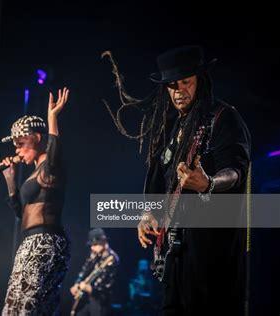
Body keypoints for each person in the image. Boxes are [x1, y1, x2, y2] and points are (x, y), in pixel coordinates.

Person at [104, 46, 251, 315]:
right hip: (175, 252)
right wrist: (149, 213)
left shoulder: (223, 117)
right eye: (172, 85)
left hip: (210, 252)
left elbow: (235, 170)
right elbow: (160, 177)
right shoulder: (174, 127)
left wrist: (208, 183)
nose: (178, 91)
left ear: (201, 81)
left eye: (186, 82)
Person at [0, 88, 71, 315]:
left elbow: (55, 152)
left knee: (21, 306)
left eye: (20, 143)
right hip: (36, 241)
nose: (17, 149)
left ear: (37, 139)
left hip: (44, 241)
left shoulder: (50, 168)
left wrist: (52, 118)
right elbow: (23, 215)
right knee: (34, 307)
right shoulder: (34, 174)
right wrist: (10, 181)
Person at [70, 228, 119, 316]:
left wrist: (91, 289)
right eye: (92, 245)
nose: (92, 247)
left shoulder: (113, 259)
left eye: (95, 244)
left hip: (101, 302)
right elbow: (84, 270)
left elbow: (111, 287)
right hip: (88, 300)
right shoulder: (95, 256)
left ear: (104, 242)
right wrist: (76, 284)